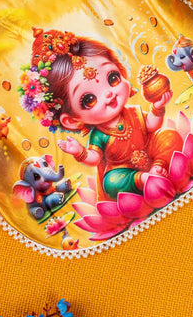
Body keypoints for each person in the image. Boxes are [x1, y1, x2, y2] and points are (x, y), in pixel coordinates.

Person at [19, 29, 181, 205]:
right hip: (124, 171)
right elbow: (95, 158)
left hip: (150, 152)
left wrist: (157, 108)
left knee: (169, 136)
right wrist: (79, 152)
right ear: (71, 120)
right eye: (89, 100)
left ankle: (158, 168)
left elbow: (151, 125)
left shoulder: (132, 112)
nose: (109, 94)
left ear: (121, 71)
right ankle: (143, 180)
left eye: (113, 78)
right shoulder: (99, 135)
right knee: (111, 182)